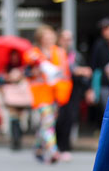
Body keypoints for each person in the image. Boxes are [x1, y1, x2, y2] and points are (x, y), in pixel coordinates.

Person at [23, 25, 73, 163]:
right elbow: (26, 72)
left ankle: (38, 147)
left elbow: (65, 71)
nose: (49, 39)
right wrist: (36, 71)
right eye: (46, 37)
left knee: (47, 123)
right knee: (48, 121)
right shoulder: (33, 53)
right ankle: (53, 151)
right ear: (41, 39)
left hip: (56, 91)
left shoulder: (60, 52)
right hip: (41, 92)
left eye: (51, 36)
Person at [55, 30, 92, 161]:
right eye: (65, 38)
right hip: (58, 90)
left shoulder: (75, 55)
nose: (67, 41)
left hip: (73, 91)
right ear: (59, 40)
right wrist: (76, 71)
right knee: (58, 119)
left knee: (70, 118)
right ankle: (56, 146)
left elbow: (85, 71)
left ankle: (65, 147)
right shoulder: (56, 53)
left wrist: (87, 86)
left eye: (69, 39)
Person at [0, 48, 31, 151]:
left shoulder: (24, 68)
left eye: (16, 56)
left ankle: (19, 136)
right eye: (13, 56)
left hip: (21, 97)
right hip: (11, 97)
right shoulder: (6, 68)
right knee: (13, 118)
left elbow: (29, 78)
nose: (14, 58)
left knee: (21, 119)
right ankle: (15, 139)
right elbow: (0, 80)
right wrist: (7, 78)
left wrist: (20, 77)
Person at [90, 18, 109, 122]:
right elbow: (94, 67)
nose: (106, 32)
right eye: (104, 29)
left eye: (108, 28)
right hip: (105, 85)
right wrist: (92, 88)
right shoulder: (99, 45)